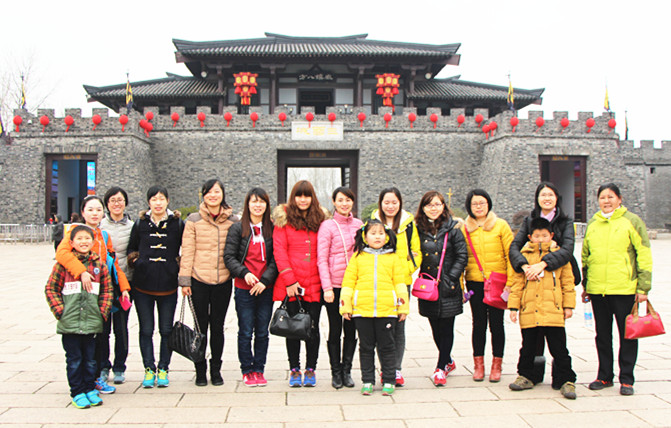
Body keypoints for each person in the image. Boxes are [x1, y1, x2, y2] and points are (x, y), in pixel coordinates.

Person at [581, 183, 652, 396]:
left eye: (611, 197)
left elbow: (644, 254)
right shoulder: (593, 224)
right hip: (598, 290)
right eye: (603, 197)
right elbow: (586, 256)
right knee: (602, 335)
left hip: (624, 289)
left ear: (619, 199)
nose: (607, 201)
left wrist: (643, 287)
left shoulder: (632, 221)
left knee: (628, 335)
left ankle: (627, 379)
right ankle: (604, 375)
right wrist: (586, 285)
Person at [56, 195, 131, 394]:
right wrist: (81, 271)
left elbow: (112, 263)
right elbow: (61, 254)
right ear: (83, 212)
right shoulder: (74, 233)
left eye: (98, 210)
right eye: (90, 210)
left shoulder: (103, 236)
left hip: (100, 294)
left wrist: (124, 287)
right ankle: (84, 383)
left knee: (100, 336)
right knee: (87, 342)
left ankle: (95, 378)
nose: (95, 213)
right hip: (80, 296)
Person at [508, 182, 580, 383]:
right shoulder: (529, 220)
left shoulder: (565, 221)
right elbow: (514, 247)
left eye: (550, 195)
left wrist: (543, 264)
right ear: (537, 198)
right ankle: (532, 375)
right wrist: (524, 266)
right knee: (532, 339)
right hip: (531, 281)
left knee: (556, 338)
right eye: (543, 195)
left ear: (557, 198)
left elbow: (567, 250)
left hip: (555, 279)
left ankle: (562, 378)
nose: (547, 198)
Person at [45, 225, 114, 409]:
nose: (84, 242)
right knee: (74, 360)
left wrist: (102, 312)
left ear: (93, 241)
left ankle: (90, 388)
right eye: (79, 239)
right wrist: (60, 311)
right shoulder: (63, 266)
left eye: (87, 238)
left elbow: (107, 291)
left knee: (91, 359)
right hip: (70, 323)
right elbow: (51, 289)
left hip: (92, 321)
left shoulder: (99, 265)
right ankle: (77, 392)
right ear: (71, 242)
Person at [340, 219, 409, 396]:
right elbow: (348, 283)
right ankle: (367, 380)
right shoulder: (358, 257)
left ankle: (389, 379)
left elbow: (400, 283)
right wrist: (346, 306)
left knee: (387, 346)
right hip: (362, 311)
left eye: (380, 233)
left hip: (387, 310)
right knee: (366, 347)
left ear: (387, 236)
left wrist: (402, 307)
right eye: (373, 233)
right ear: (365, 236)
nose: (377, 237)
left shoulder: (393, 258)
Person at [179, 179, 236, 386]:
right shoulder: (193, 220)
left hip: (223, 280)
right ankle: (200, 369)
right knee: (200, 327)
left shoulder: (233, 221)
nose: (213, 195)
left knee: (218, 327)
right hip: (198, 281)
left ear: (223, 194)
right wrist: (185, 280)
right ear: (203, 195)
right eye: (208, 192)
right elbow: (187, 252)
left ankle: (216, 369)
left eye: (216, 191)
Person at [271, 180, 327, 387]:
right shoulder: (284, 220)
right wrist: (289, 280)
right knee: (293, 328)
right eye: (299, 195)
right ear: (293, 197)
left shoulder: (320, 220)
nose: (303, 200)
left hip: (315, 283)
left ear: (312, 198)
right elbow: (279, 251)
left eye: (307, 195)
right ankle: (294, 368)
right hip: (292, 284)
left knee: (312, 327)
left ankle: (311, 368)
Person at [127, 186, 183, 389]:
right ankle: (149, 368)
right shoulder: (140, 224)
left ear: (167, 201)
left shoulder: (178, 224)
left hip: (168, 285)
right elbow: (132, 248)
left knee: (166, 330)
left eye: (161, 199)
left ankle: (164, 368)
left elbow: (186, 247)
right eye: (153, 199)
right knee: (146, 330)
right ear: (148, 202)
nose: (158, 203)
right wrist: (138, 262)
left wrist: (177, 266)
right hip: (143, 285)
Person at [224, 188, 278, 387]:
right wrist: (244, 273)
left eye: (261, 201)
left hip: (265, 288)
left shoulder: (272, 229)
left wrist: (265, 281)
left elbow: (276, 259)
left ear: (267, 205)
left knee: (262, 332)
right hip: (244, 287)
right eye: (254, 201)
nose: (258, 205)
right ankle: (247, 370)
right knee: (246, 331)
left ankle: (259, 369)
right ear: (247, 204)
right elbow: (229, 257)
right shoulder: (237, 228)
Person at [415, 191, 468, 386]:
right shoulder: (418, 230)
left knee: (447, 327)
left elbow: (462, 255)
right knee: (435, 327)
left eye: (437, 204)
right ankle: (448, 361)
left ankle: (440, 368)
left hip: (448, 286)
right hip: (428, 285)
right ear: (423, 208)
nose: (433, 208)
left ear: (444, 206)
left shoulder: (453, 229)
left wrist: (451, 277)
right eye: (429, 205)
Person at [461, 189, 514, 382]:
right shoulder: (464, 229)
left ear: (489, 204)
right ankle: (478, 365)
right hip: (474, 281)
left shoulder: (501, 226)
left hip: (497, 282)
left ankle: (496, 365)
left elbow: (510, 255)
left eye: (482, 203)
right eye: (474, 204)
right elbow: (460, 258)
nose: (479, 207)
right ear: (469, 207)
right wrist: (461, 285)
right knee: (478, 323)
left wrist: (510, 283)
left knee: (497, 324)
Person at [371, 187, 421, 386]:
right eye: (387, 202)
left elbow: (417, 252)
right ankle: (385, 368)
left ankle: (396, 369)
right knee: (381, 328)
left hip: (401, 283)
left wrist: (405, 270)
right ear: (380, 204)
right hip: (380, 283)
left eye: (394, 202)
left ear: (400, 203)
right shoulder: (372, 224)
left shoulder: (408, 225)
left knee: (399, 327)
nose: (390, 206)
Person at [317, 186, 363, 389]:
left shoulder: (359, 224)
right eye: (341, 200)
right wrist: (327, 288)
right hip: (334, 287)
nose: (345, 204)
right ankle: (335, 372)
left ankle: (347, 371)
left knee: (351, 330)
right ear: (334, 202)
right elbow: (322, 259)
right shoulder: (327, 226)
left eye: (348, 200)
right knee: (335, 329)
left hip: (354, 286)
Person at [99, 187, 134, 385]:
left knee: (121, 328)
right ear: (107, 204)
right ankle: (103, 366)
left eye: (120, 200)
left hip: (124, 284)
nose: (116, 204)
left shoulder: (132, 227)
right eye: (112, 200)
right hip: (102, 285)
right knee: (102, 329)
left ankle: (120, 366)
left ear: (125, 203)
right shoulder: (99, 226)